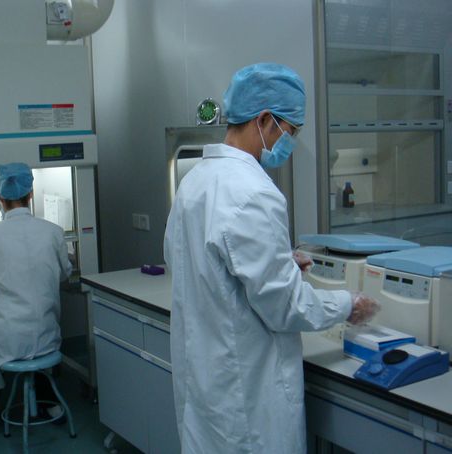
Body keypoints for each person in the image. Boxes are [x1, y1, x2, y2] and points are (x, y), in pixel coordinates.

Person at [163, 63, 380, 454]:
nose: (289, 143)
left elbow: (197, 264)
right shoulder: (255, 193)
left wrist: (279, 262)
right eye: (290, 131)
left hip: (207, 382)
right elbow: (286, 307)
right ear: (264, 120)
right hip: (246, 397)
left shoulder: (193, 181)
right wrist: (347, 304)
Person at [0, 162, 72, 438]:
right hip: (46, 333)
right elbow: (64, 273)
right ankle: (51, 406)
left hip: (6, 337)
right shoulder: (53, 232)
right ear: (31, 193)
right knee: (37, 350)